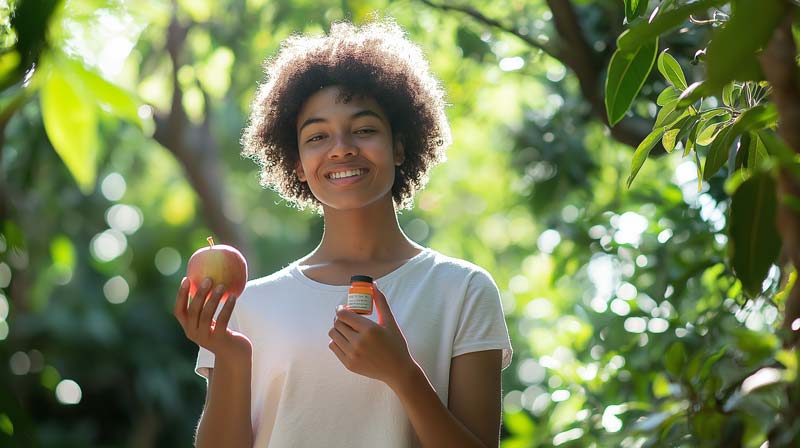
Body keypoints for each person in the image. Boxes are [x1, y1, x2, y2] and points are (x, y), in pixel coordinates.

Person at [173, 19, 512, 448]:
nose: (341, 148)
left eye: (365, 129)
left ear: (400, 145)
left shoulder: (463, 289)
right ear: (296, 162)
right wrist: (232, 359)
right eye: (317, 136)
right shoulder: (248, 307)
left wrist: (402, 374)